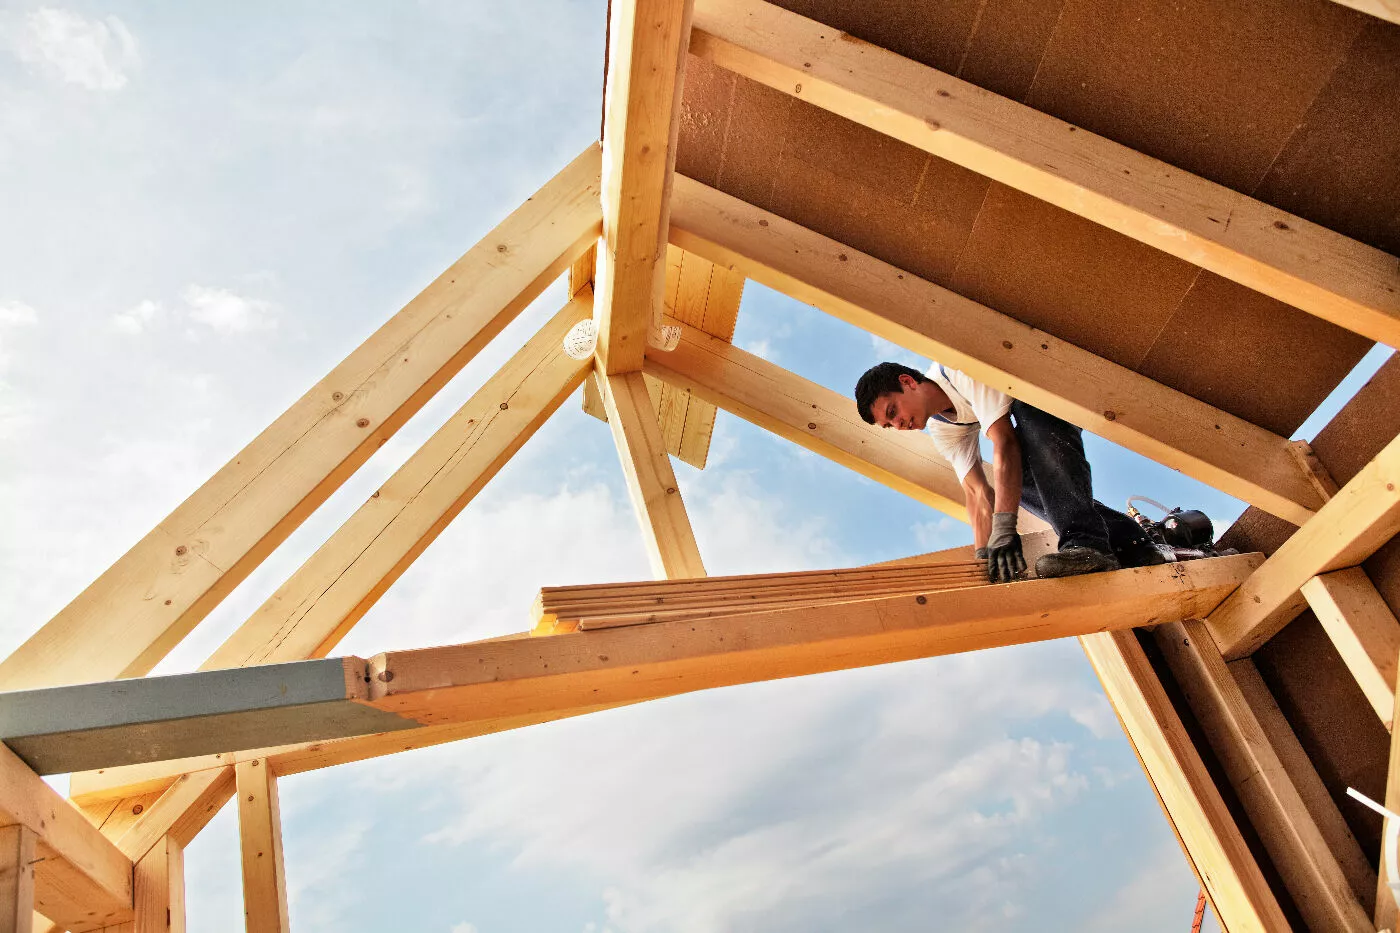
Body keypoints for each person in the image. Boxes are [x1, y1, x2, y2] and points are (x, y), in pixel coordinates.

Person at [854, 361, 1161, 583]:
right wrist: (985, 557)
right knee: (1018, 486)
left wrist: (1004, 528)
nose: (898, 425)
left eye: (893, 411)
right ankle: (1129, 543)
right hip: (1031, 421)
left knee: (1028, 420)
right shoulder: (941, 427)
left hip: (1052, 389)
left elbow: (1004, 441)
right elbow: (976, 491)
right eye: (889, 425)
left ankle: (1087, 542)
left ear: (907, 382)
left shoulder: (958, 368)